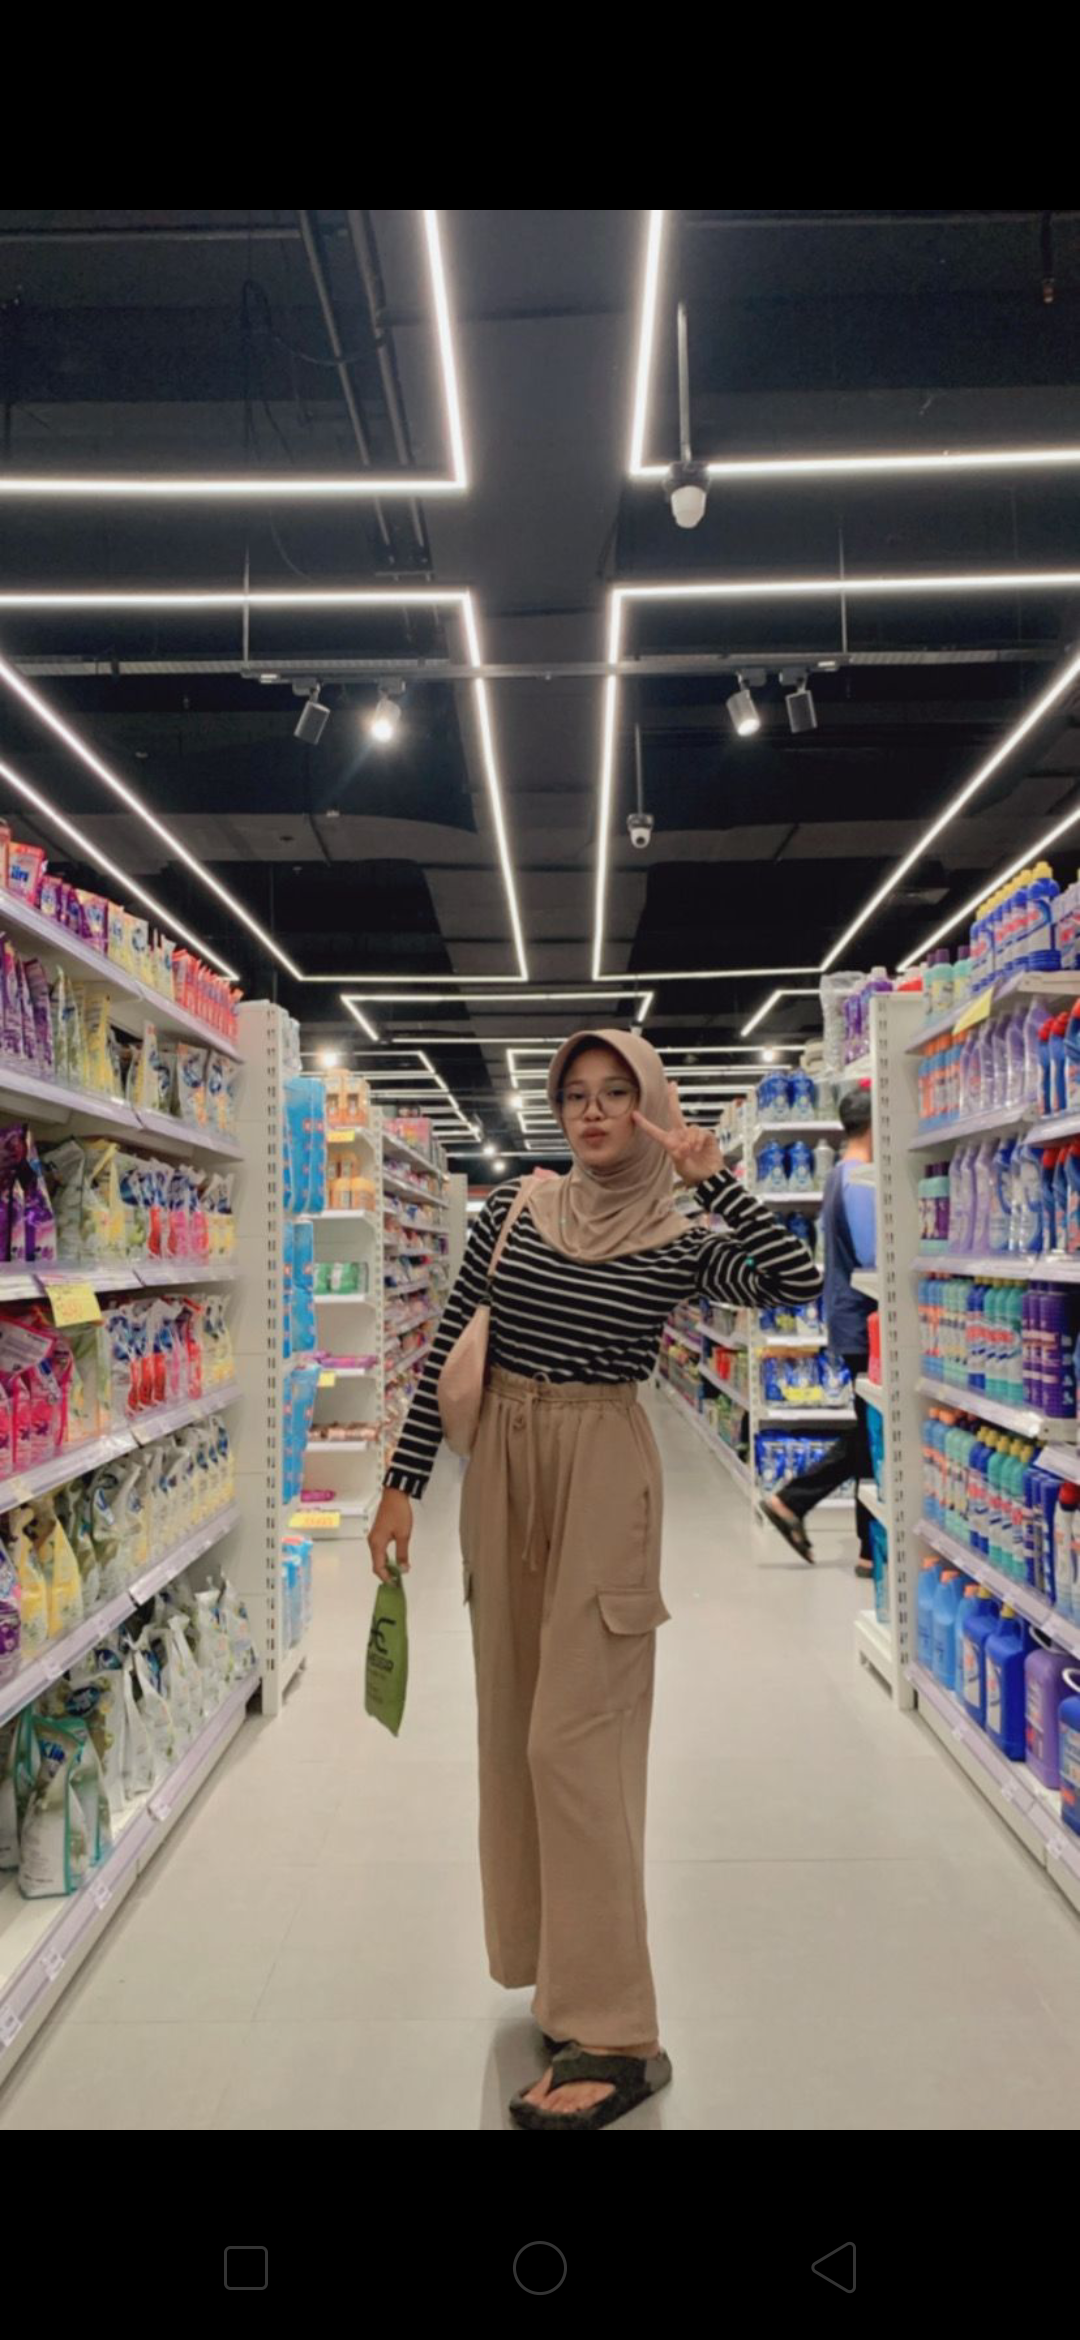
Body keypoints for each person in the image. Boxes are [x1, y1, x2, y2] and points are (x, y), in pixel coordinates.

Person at [368, 1028, 821, 2131]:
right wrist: (400, 1484)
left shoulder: (678, 1234)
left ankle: (620, 2034)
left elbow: (796, 1279)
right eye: (576, 1093)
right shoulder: (517, 1212)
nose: (594, 1111)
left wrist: (718, 1180)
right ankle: (560, 1981)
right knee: (512, 1727)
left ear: (650, 1105)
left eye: (619, 1093)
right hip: (504, 1468)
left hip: (605, 1473)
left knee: (574, 1739)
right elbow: (448, 1347)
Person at [762, 1084, 876, 1574]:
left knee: (871, 1432)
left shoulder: (838, 1174)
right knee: (873, 1434)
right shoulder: (859, 1178)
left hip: (850, 1317)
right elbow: (873, 1257)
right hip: (865, 1321)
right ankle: (795, 1500)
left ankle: (867, 1547)